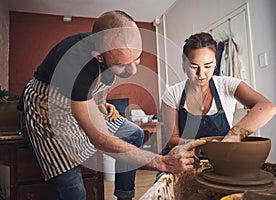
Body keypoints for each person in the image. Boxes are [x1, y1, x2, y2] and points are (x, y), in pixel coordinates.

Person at [18, 10, 206, 200]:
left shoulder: (112, 57)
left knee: (135, 133)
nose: (132, 70)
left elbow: (100, 83)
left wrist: (101, 103)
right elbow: (99, 138)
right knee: (74, 191)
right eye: (123, 65)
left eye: (137, 59)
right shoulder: (76, 64)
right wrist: (162, 162)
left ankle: (125, 196)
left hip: (78, 103)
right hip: (47, 112)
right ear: (99, 57)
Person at [161, 32, 276, 154]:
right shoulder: (172, 93)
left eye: (207, 66)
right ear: (184, 64)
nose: (201, 74)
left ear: (215, 63)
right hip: (186, 157)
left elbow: (267, 107)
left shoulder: (227, 85)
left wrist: (234, 135)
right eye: (194, 66)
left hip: (222, 156)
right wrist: (204, 144)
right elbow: (172, 140)